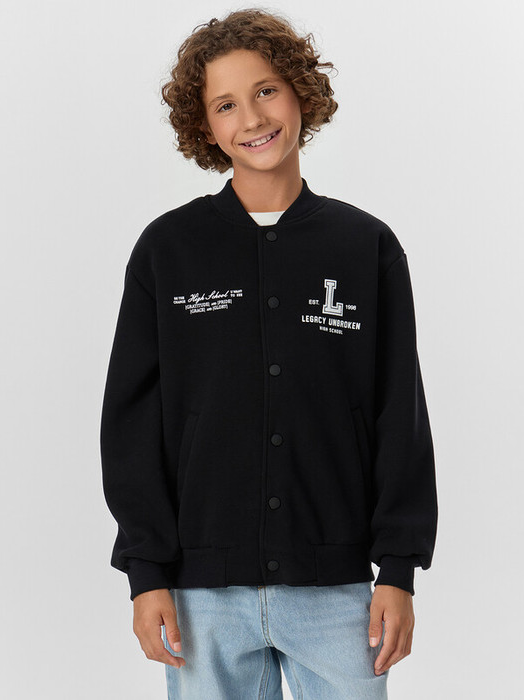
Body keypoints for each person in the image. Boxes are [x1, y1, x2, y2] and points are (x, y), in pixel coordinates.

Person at [100, 8, 438, 699]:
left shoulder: (365, 247)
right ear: (204, 126)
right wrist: (146, 573)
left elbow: (398, 416)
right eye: (225, 104)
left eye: (265, 90)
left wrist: (398, 571)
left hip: (338, 593)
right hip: (200, 597)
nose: (252, 117)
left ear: (299, 93)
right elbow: (132, 423)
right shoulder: (168, 250)